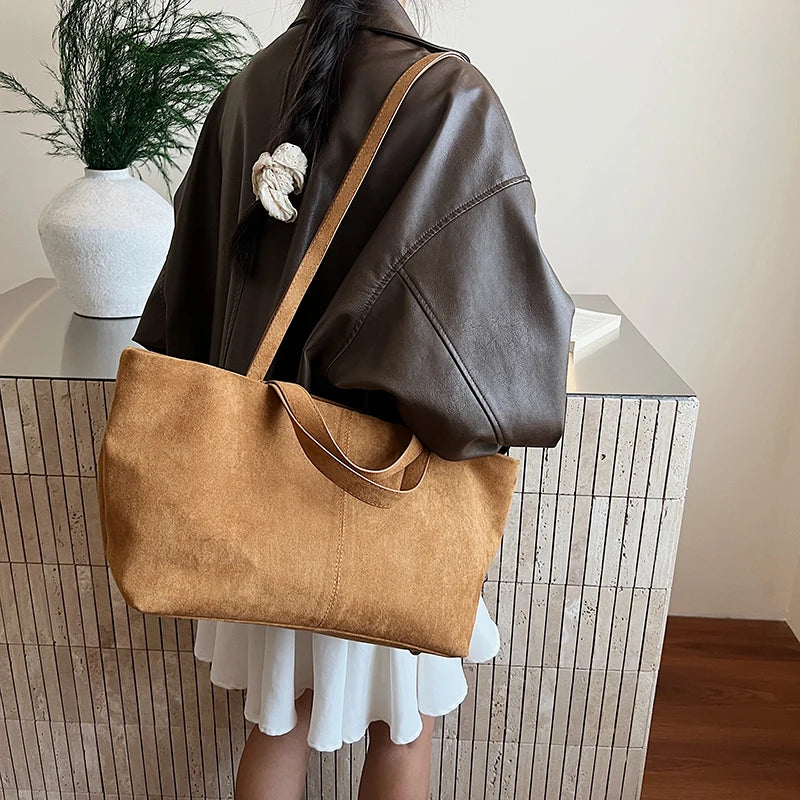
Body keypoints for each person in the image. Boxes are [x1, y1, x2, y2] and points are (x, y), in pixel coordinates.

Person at [133, 0, 573, 797]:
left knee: (280, 720)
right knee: (403, 730)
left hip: (257, 503)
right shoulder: (448, 96)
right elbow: (488, 353)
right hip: (387, 499)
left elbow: (182, 311)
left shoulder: (246, 89)